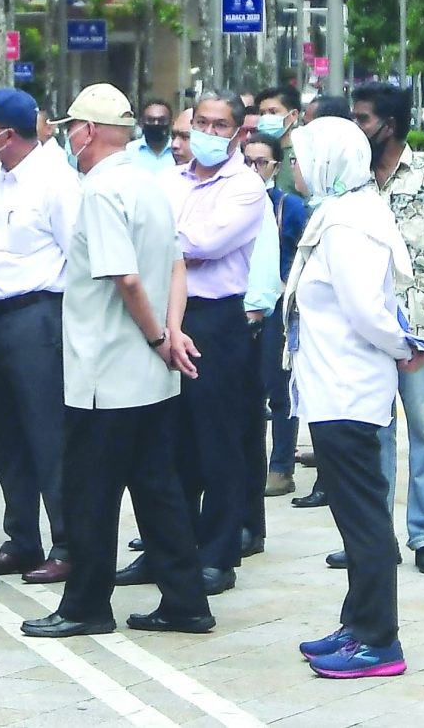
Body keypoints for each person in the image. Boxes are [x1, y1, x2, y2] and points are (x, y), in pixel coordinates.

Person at [23, 85, 211, 641]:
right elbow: (176, 265)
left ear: (92, 131)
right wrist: (172, 333)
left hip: (107, 371)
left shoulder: (103, 191)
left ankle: (85, 604)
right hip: (150, 375)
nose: (68, 137)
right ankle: (185, 600)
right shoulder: (149, 184)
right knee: (158, 489)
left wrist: (158, 336)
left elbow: (125, 278)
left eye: (73, 128)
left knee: (90, 494)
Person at [286, 116, 418, 680]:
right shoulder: (340, 213)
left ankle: (378, 640)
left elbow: (368, 310)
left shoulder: (347, 226)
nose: (294, 167)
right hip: (334, 389)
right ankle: (357, 620)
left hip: (349, 391)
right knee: (353, 516)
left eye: (300, 157)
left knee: (364, 521)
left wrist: (401, 345)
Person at [350, 82, 424, 575]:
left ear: (389, 126)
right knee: (374, 430)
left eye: (364, 119)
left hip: (419, 328)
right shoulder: (351, 180)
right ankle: (375, 538)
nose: (357, 129)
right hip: (366, 327)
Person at [0, 88, 77, 584]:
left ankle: (68, 543)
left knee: (48, 436)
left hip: (39, 315)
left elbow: (80, 257)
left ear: (6, 135)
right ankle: (22, 539)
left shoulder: (57, 181)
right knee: (7, 435)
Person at [162, 93, 262, 595]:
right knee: (170, 440)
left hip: (217, 318)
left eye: (219, 125)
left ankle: (218, 553)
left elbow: (205, 244)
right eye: (200, 122)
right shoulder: (170, 179)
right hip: (166, 312)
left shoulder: (246, 187)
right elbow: (163, 239)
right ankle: (171, 550)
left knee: (216, 439)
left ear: (239, 132)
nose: (207, 133)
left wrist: (167, 241)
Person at [244, 131, 311, 498]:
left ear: (275, 166)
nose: (253, 169)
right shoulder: (233, 201)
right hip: (242, 305)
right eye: (247, 161)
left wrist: (289, 286)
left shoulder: (290, 206)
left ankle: (281, 465)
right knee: (247, 389)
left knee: (279, 388)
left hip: (279, 306)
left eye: (261, 162)